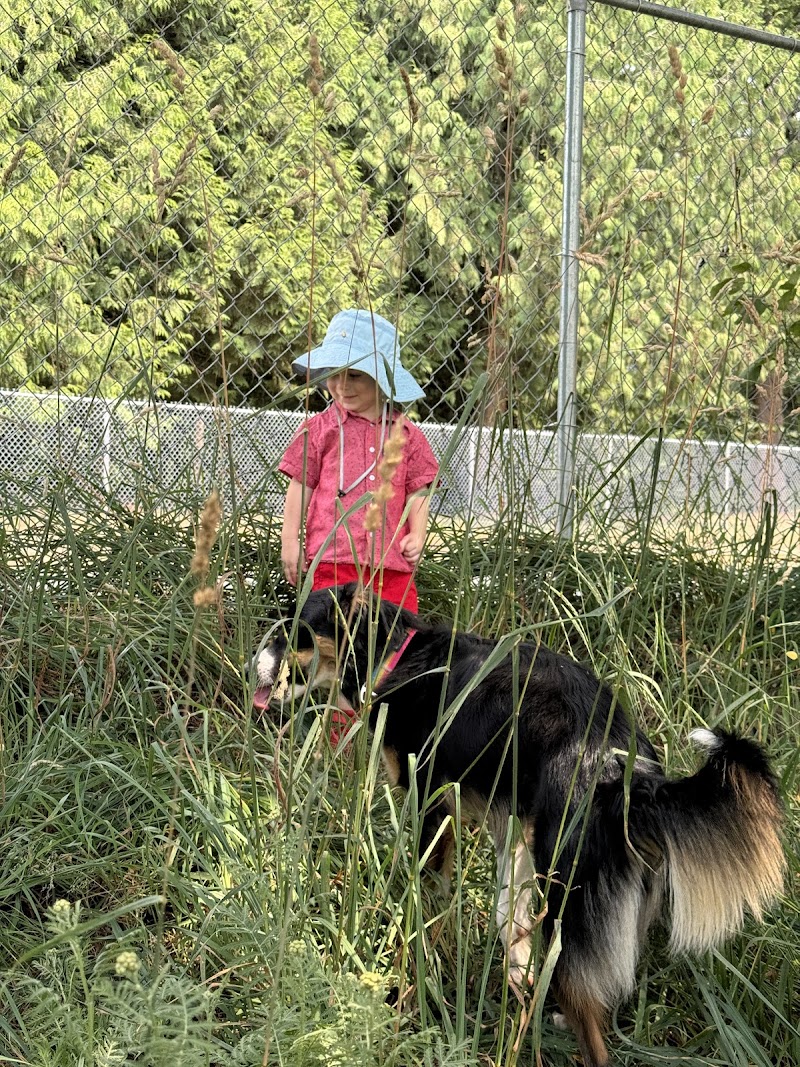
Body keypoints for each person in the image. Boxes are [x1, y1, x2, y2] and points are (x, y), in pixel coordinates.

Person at [279, 308, 438, 619]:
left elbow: (418, 489)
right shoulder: (319, 430)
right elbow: (300, 485)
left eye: (354, 375)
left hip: (391, 566)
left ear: (382, 378)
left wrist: (417, 534)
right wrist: (290, 540)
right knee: (331, 633)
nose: (342, 385)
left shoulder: (406, 435)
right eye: (334, 373)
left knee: (396, 635)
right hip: (332, 561)